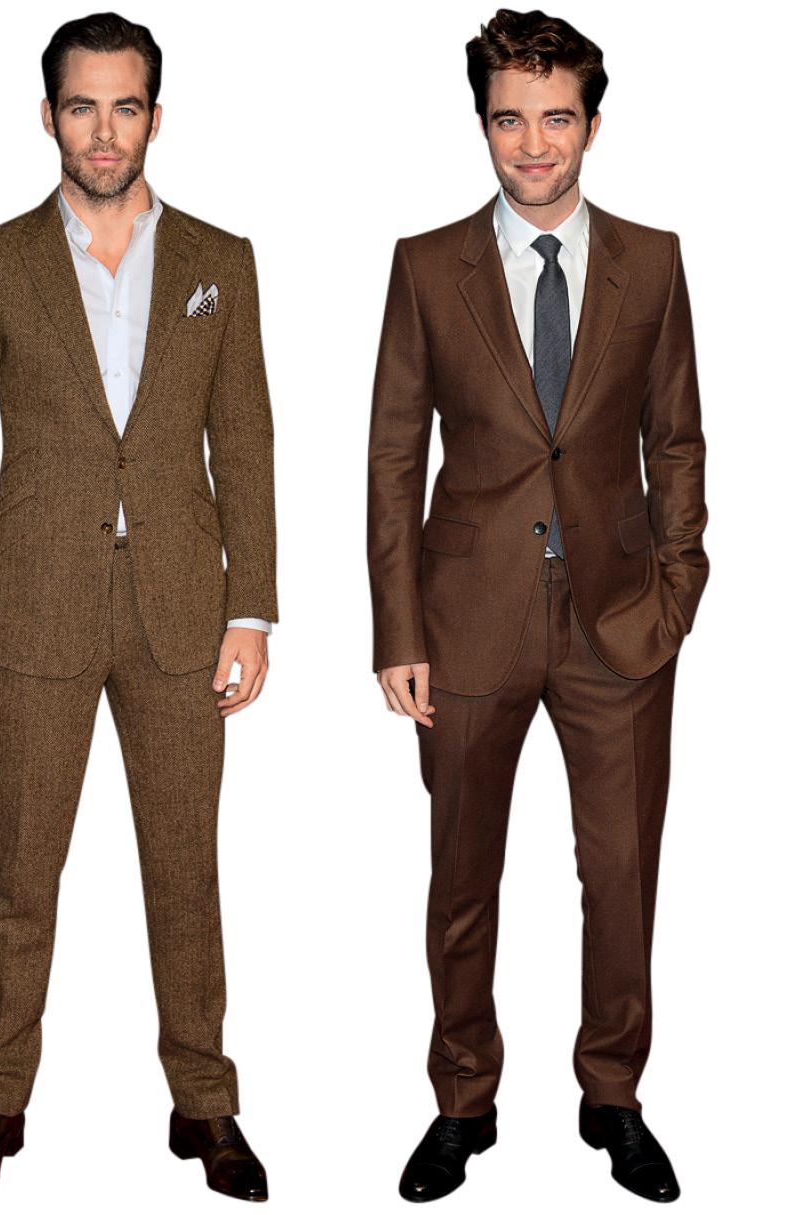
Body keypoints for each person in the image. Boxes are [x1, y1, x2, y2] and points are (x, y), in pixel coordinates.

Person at [0, 12, 276, 1202]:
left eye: (126, 105)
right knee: (24, 875)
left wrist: (253, 606)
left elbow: (246, 439)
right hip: (31, 611)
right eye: (83, 105)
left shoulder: (221, 261)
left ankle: (205, 1102)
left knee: (186, 872)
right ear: (50, 117)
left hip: (183, 610)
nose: (105, 129)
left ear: (155, 118)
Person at [367, 8, 708, 1204]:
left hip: (622, 622)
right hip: (466, 621)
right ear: (483, 124)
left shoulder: (653, 261)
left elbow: (677, 438)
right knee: (463, 880)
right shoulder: (426, 265)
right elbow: (393, 459)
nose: (533, 143)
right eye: (510, 119)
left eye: (556, 118)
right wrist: (398, 634)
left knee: (621, 876)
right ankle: (464, 1102)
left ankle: (613, 1096)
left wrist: (678, 589)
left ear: (591, 126)